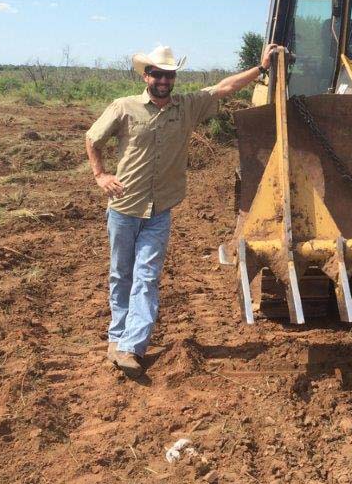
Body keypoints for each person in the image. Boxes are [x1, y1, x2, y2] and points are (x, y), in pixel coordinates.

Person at [85, 43, 279, 378]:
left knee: (146, 277)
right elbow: (93, 138)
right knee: (121, 275)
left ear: (174, 78)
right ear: (147, 76)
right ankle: (116, 337)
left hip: (159, 210)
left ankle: (132, 346)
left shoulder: (186, 106)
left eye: (169, 75)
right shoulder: (124, 107)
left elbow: (225, 87)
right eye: (157, 74)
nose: (163, 80)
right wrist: (101, 175)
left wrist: (260, 69)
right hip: (124, 207)